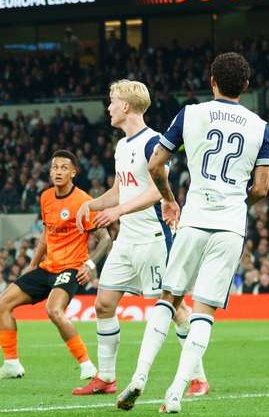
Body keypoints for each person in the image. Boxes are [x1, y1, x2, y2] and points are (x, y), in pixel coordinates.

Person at [117, 52, 269, 414]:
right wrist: (235, 202)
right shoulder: (261, 126)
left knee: (168, 298)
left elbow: (156, 163)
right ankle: (176, 393)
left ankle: (139, 377)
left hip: (195, 218)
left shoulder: (190, 114)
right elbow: (262, 188)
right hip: (231, 226)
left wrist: (170, 200)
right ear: (246, 86)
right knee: (204, 311)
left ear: (211, 81)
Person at [72, 80, 209, 397]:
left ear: (125, 106)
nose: (108, 107)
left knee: (173, 308)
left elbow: (155, 191)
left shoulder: (154, 143)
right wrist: (92, 204)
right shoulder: (122, 146)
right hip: (126, 243)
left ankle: (198, 377)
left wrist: (118, 211)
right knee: (104, 304)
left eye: (112, 101)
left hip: (152, 239)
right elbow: (122, 188)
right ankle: (106, 378)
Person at [0, 150, 112, 381]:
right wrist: (33, 264)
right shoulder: (45, 197)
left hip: (71, 268)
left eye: (64, 168)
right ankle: (11, 364)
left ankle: (87, 365)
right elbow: (46, 233)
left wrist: (91, 265)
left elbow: (106, 239)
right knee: (1, 304)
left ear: (74, 172)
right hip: (47, 268)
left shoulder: (84, 201)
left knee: (53, 310)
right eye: (55, 167)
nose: (58, 172)